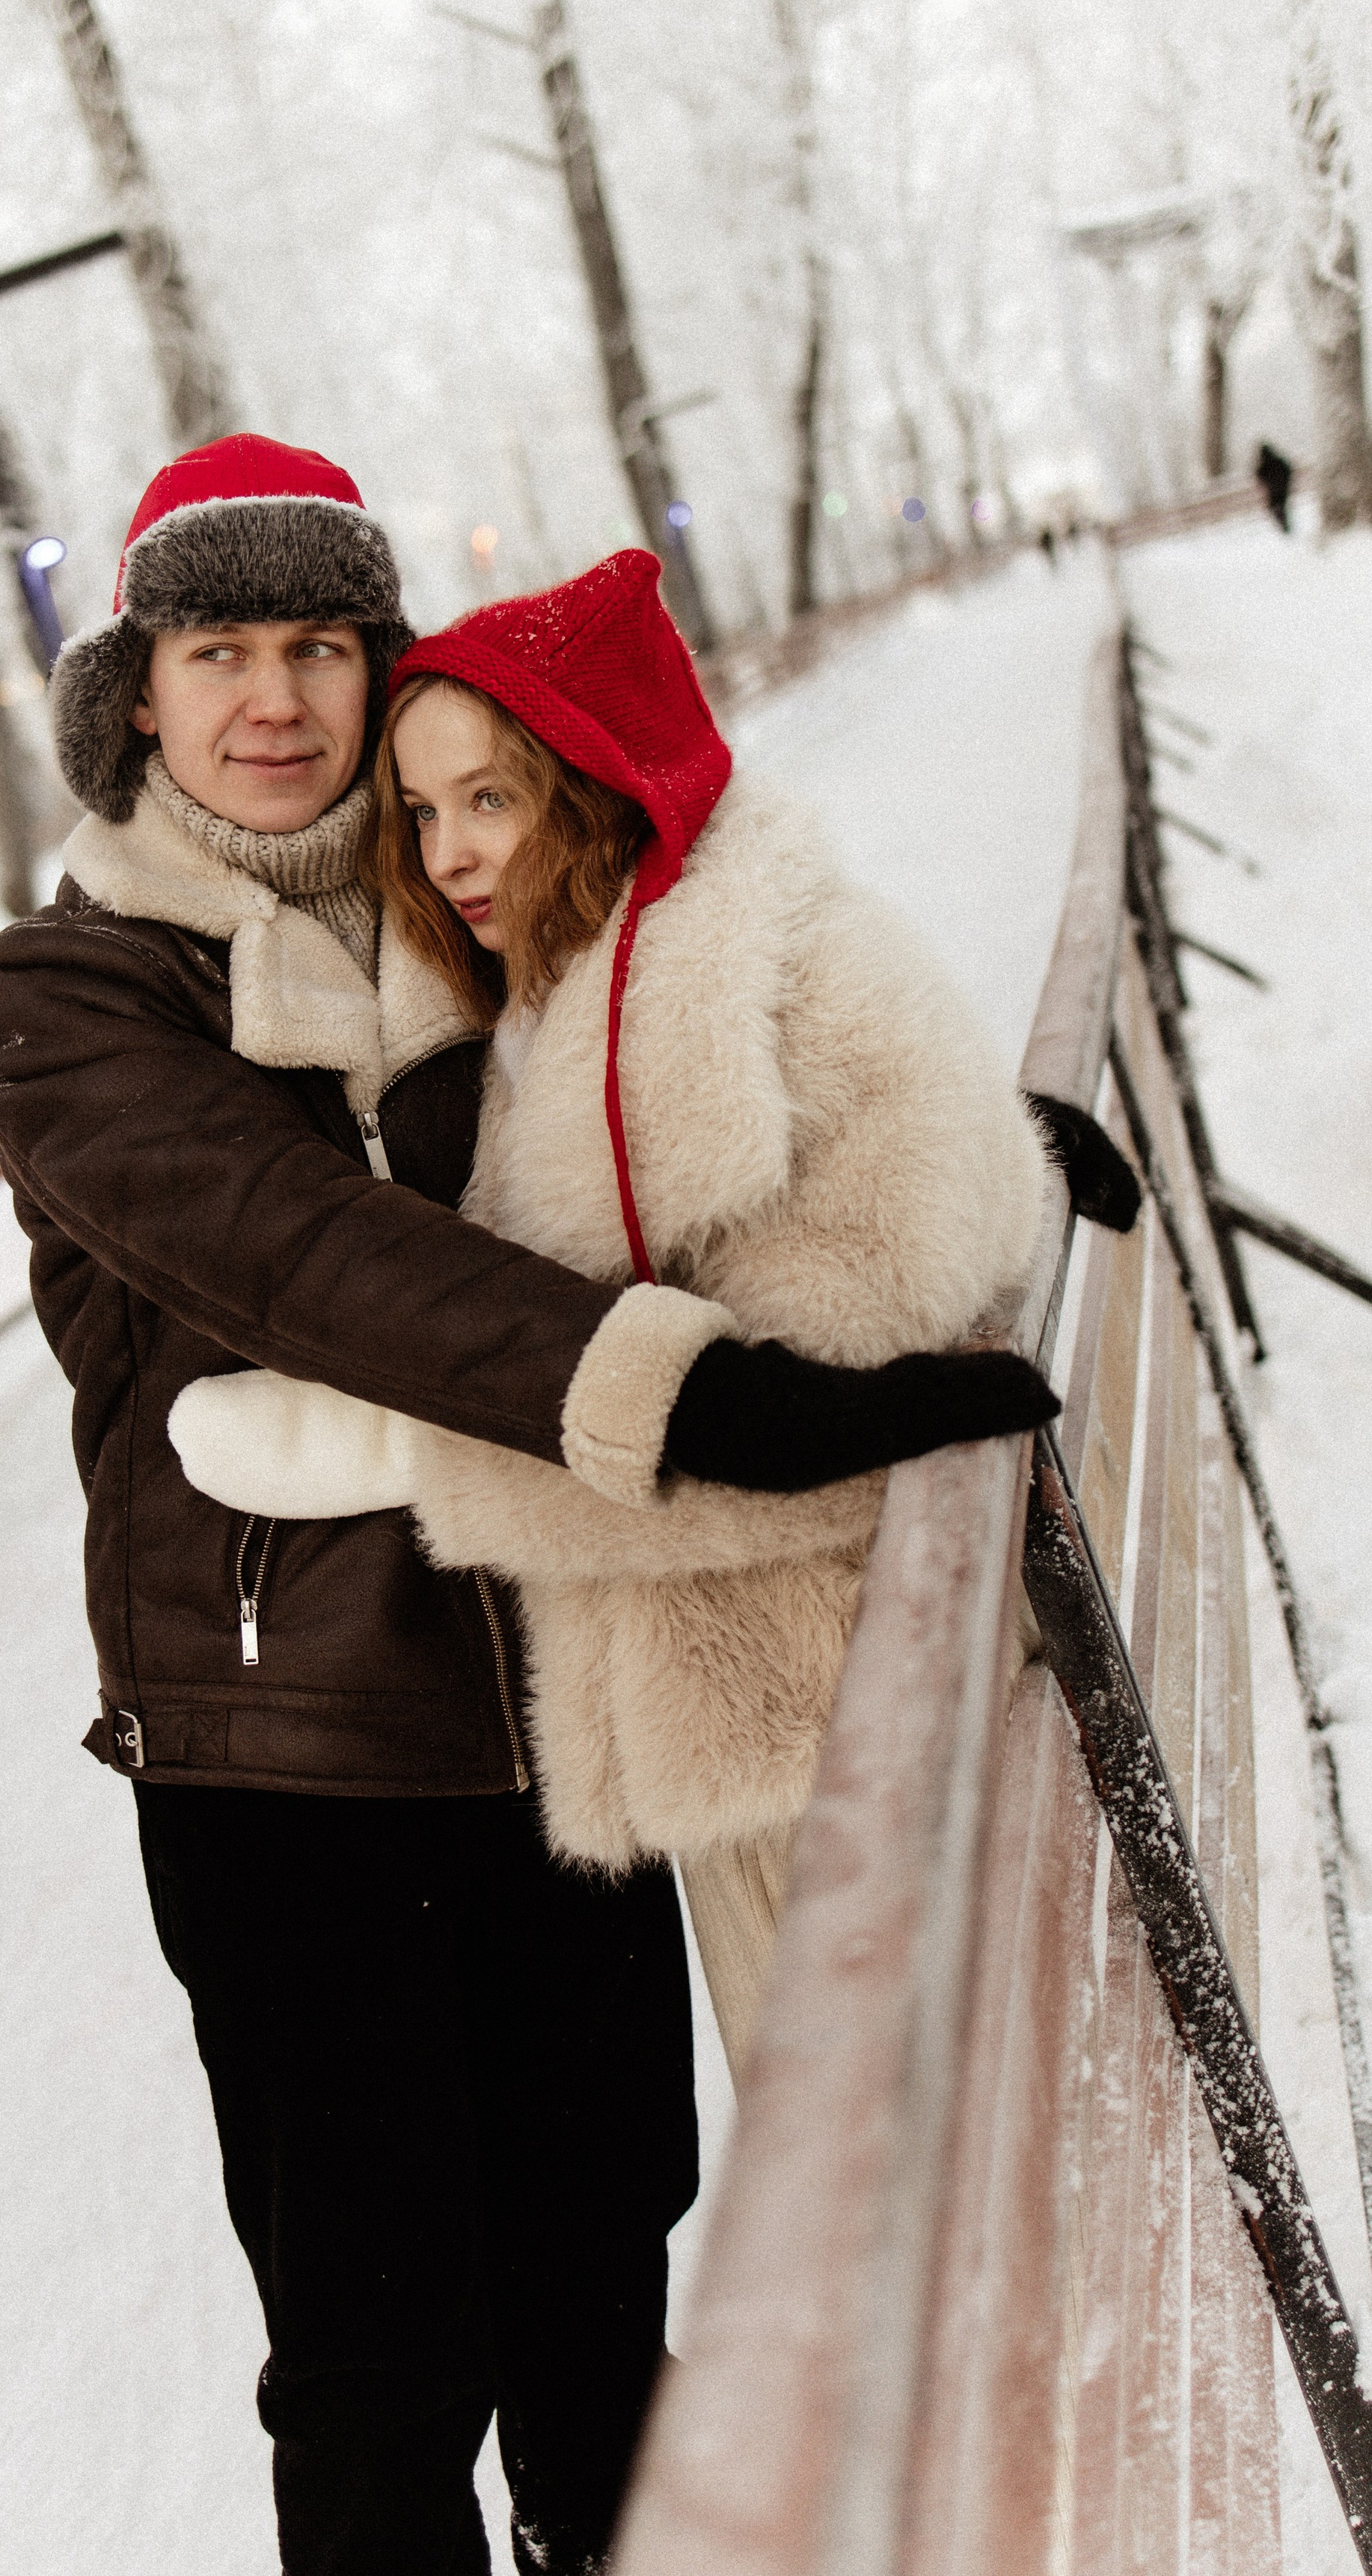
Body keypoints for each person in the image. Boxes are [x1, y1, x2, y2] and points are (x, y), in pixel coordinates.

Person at [0, 438, 1057, 2575]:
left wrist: (980, 1138)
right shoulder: (75, 995)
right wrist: (681, 1391)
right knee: (382, 2355)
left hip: (553, 1704)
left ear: (379, 672)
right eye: (217, 649)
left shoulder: (462, 914)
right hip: (293, 1751)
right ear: (140, 695)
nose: (272, 699)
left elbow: (686, 1073)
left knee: (600, 2266)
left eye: (315, 645)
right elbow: (303, 1256)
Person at [171, 548, 1056, 2076]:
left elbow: (808, 1419)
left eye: (490, 798)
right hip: (756, 1725)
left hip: (836, 1719)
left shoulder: (732, 992)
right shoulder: (566, 998)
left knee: (891, 2214)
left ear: (593, 781)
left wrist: (401, 1459)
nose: (447, 852)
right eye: (423, 809)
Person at [1255, 440, 1294, 533]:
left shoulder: (1264, 465)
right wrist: (1286, 481)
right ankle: (1285, 525)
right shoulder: (1279, 460)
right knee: (1282, 507)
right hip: (1283, 488)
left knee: (1274, 507)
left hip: (1273, 491)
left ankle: (1283, 525)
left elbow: (1259, 476)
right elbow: (1288, 469)